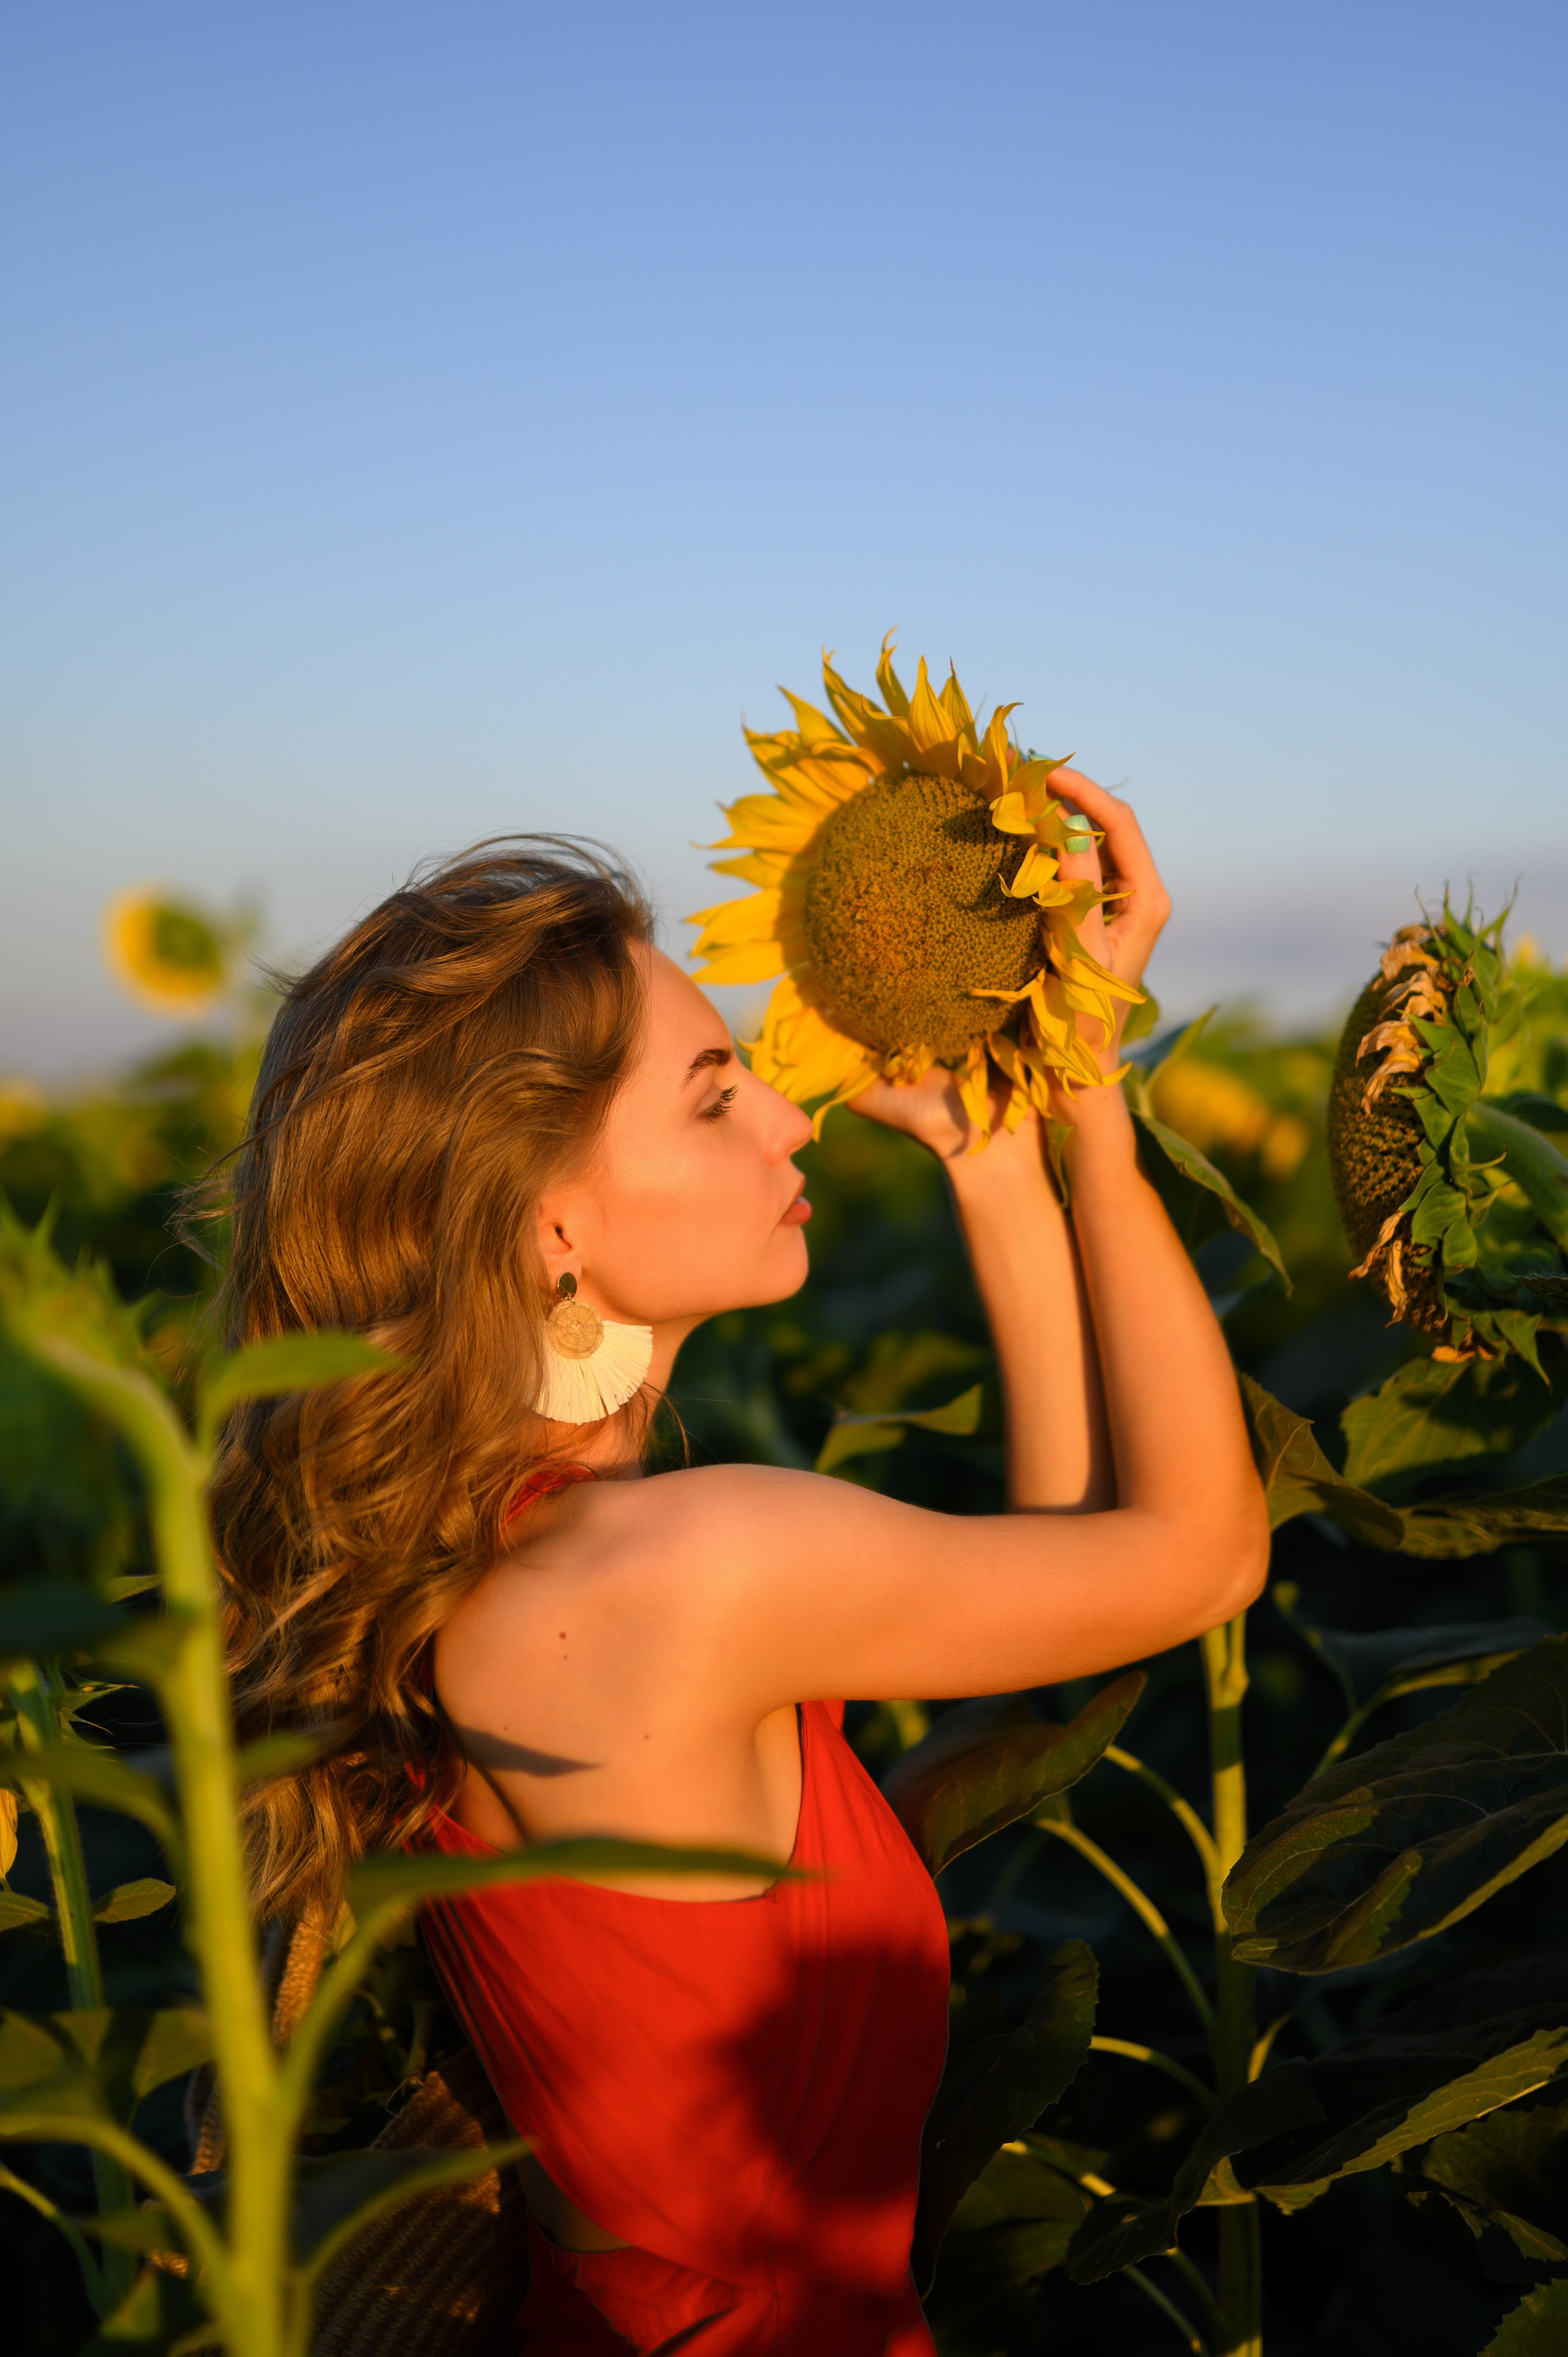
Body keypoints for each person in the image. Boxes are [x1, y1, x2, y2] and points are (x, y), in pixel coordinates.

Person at [213, 777, 1268, 2355]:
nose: (789, 1114)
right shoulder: (686, 1565)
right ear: (548, 1224)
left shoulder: (518, 1552)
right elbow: (1198, 1560)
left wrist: (998, 1167)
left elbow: (1061, 1584)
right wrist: (1095, 1107)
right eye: (712, 1096)